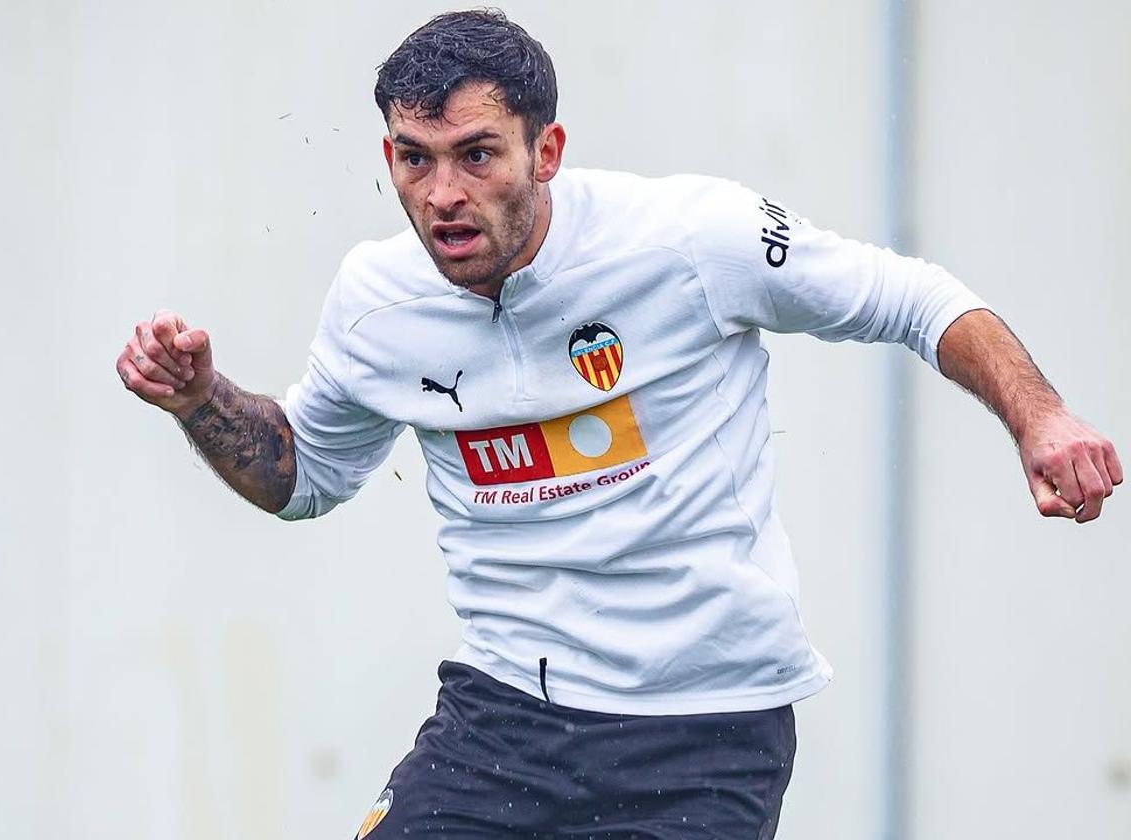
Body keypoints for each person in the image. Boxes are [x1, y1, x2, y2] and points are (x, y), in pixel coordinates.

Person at [116, 10, 1121, 839]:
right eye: (415, 162)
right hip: (502, 721)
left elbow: (913, 297)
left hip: (705, 733)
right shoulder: (376, 302)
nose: (444, 198)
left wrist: (1038, 418)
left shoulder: (690, 238)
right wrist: (202, 399)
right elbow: (303, 474)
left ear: (546, 151)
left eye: (477, 156)